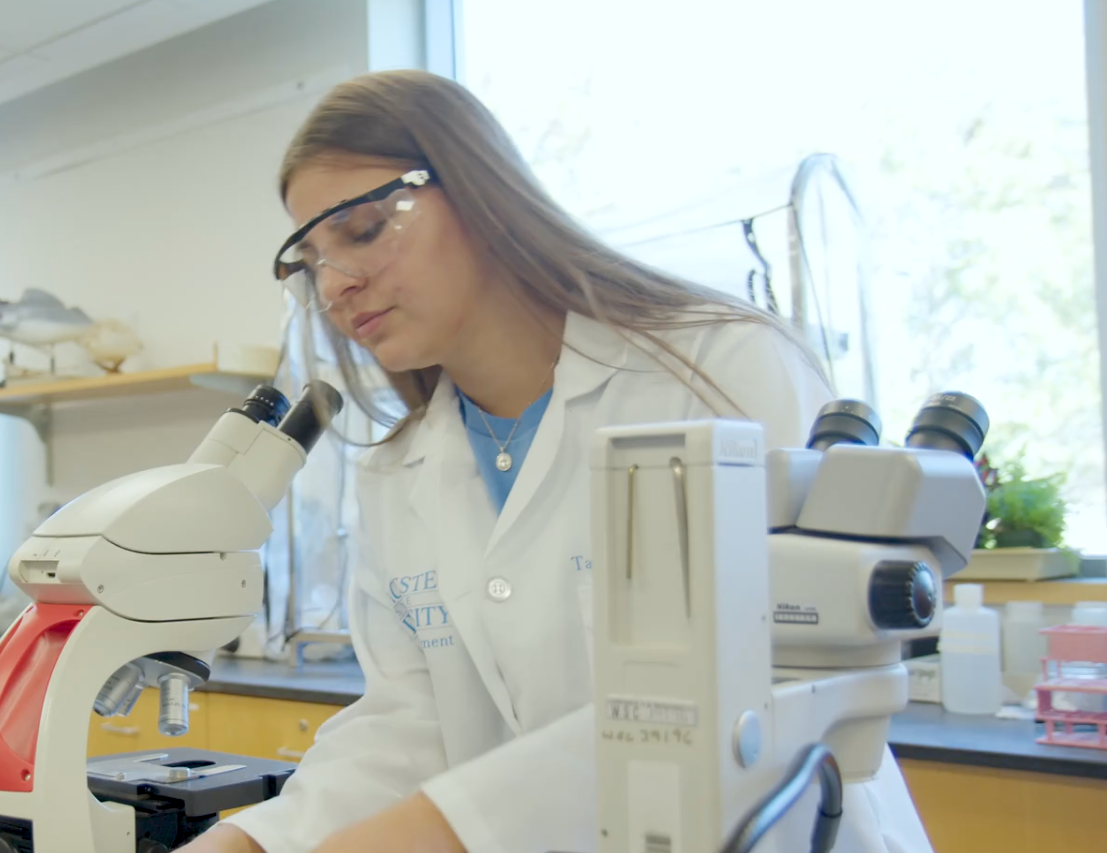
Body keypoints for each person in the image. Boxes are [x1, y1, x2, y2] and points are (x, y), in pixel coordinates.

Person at [186, 70, 931, 853]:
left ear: (479, 191)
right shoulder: (399, 471)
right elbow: (410, 726)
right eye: (311, 260)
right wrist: (251, 843)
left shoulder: (721, 369)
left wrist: (441, 830)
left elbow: (775, 680)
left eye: (365, 230)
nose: (337, 285)